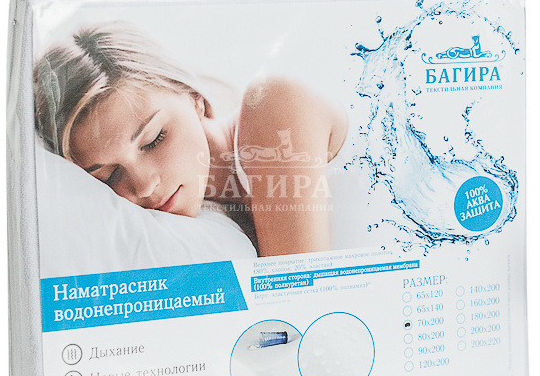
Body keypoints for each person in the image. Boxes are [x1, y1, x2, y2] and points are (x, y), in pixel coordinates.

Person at [34, 23, 348, 257]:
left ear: (193, 97)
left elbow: (302, 301)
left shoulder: (273, 105)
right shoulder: (210, 225)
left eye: (154, 139)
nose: (144, 186)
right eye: (110, 175)